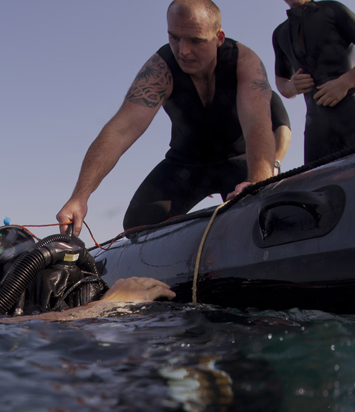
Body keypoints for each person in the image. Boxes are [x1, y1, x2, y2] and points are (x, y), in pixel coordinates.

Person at [56, 0, 277, 236]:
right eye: (174, 37)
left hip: (238, 158)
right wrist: (80, 196)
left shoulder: (245, 62)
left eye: (196, 40)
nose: (183, 51)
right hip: (186, 162)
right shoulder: (160, 69)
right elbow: (120, 131)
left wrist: (258, 183)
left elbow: (258, 124)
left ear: (219, 37)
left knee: (264, 211)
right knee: (138, 223)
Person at [273, 0, 355, 164]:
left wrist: (346, 82)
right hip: (316, 127)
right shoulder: (280, 33)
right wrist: (291, 86)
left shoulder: (331, 9)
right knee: (318, 187)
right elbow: (281, 80)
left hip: (354, 113)